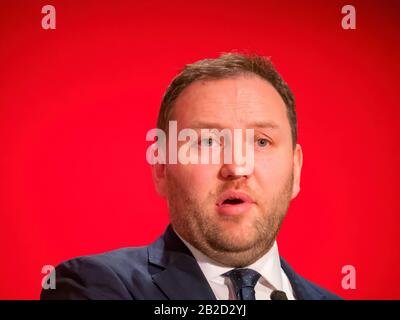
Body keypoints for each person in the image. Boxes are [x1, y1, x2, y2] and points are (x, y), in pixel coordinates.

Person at [41, 53, 341, 300]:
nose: (237, 168)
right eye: (208, 142)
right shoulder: (91, 285)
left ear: (296, 169)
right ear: (161, 168)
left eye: (261, 142)